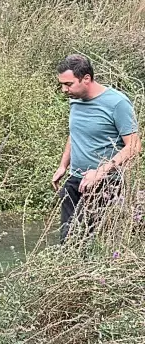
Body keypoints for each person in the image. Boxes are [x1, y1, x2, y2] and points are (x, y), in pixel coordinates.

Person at [52, 55, 140, 242]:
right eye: (62, 84)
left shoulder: (117, 103)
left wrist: (100, 172)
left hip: (106, 185)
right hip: (76, 180)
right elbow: (75, 132)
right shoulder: (75, 99)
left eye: (68, 84)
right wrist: (63, 165)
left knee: (94, 243)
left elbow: (134, 146)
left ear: (86, 79)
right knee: (67, 241)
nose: (64, 90)